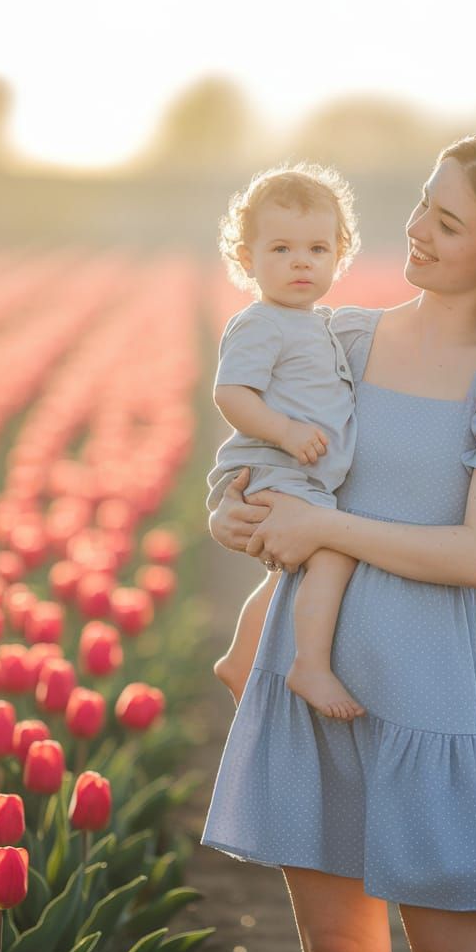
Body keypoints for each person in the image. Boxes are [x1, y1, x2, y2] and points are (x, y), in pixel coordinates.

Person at [202, 131, 476, 952]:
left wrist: (324, 528)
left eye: (447, 222)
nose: (417, 230)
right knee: (337, 945)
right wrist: (235, 514)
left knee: (452, 947)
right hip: (316, 666)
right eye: (421, 206)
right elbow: (280, 467)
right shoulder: (346, 338)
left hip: (431, 681)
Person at [207, 162, 367, 721]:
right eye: (280, 249)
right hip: (271, 465)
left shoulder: (319, 323)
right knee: (335, 551)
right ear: (246, 259)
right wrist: (286, 431)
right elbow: (231, 394)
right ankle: (310, 665)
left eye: (317, 249)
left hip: (299, 472)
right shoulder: (262, 323)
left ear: (338, 256)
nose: (301, 261)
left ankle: (241, 656)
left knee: (297, 570)